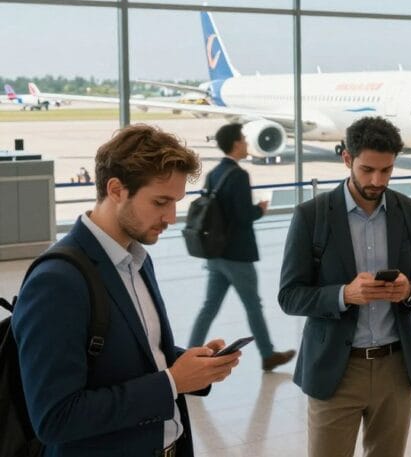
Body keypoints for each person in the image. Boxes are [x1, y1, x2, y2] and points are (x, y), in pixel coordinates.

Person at [12, 124, 241, 456]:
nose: (172, 217)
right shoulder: (57, 281)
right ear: (116, 189)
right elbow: (54, 418)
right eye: (161, 201)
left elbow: (134, 353)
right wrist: (173, 382)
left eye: (176, 202)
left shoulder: (137, 260)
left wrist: (192, 366)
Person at [278, 116, 411, 457]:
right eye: (367, 169)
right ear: (347, 159)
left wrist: (409, 291)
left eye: (386, 170)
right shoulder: (312, 215)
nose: (377, 180)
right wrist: (344, 295)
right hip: (336, 368)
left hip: (396, 368)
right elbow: (290, 296)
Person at [187, 123, 294, 372]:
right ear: (235, 143)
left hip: (215, 253)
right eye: (244, 139)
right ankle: (268, 355)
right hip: (237, 255)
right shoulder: (238, 175)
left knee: (208, 307)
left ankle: (189, 353)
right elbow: (243, 215)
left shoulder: (214, 173)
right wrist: (260, 209)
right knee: (253, 306)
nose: (247, 143)